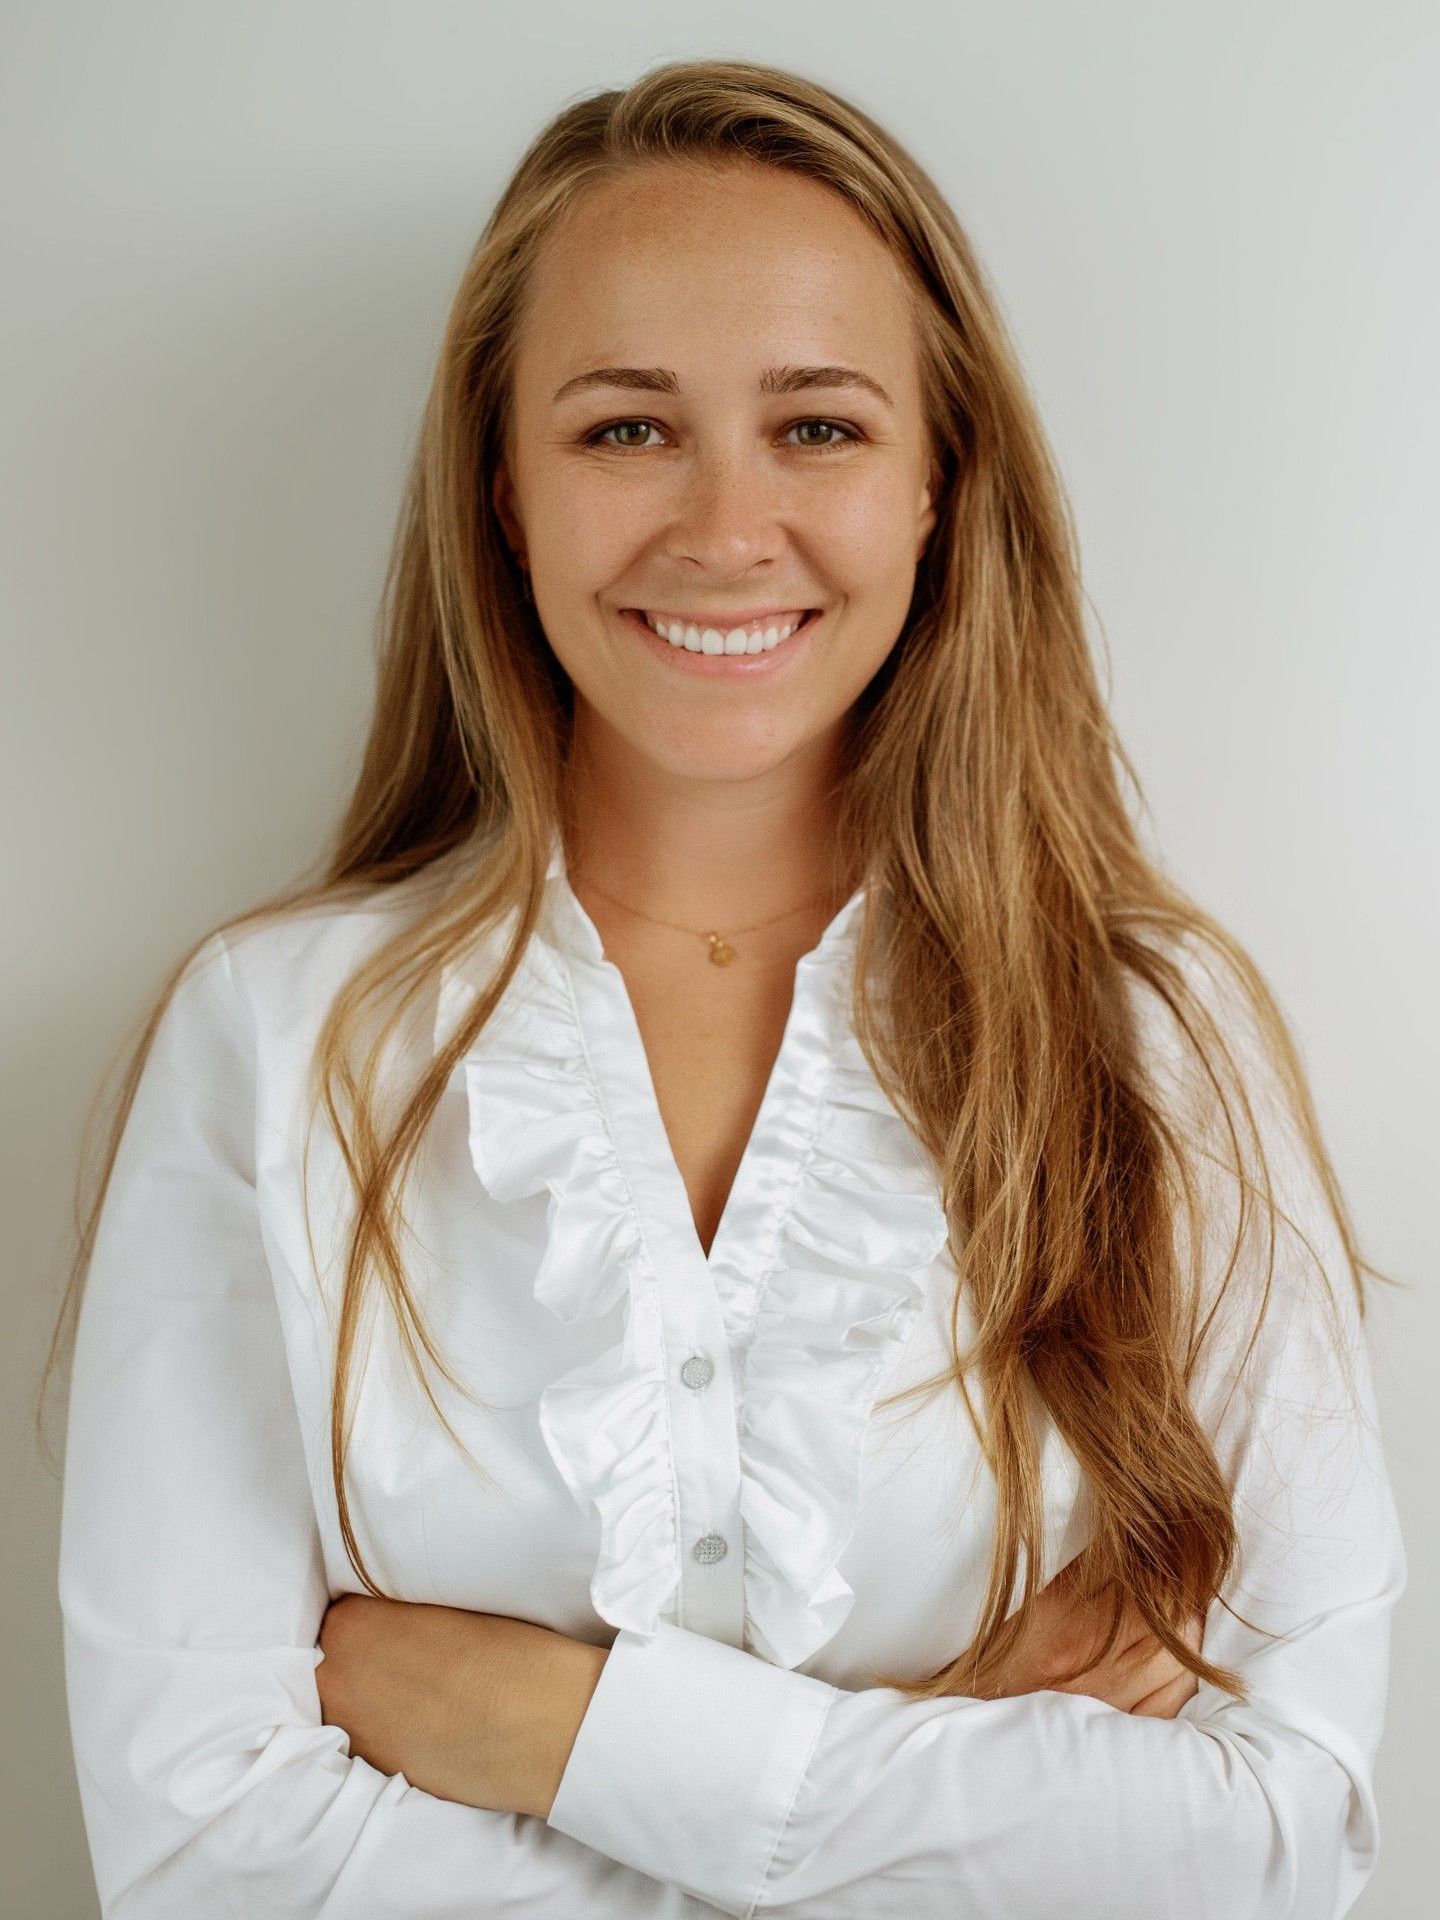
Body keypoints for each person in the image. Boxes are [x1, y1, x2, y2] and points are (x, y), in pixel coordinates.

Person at [42, 56, 1405, 1920]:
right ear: (503, 494)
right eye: (624, 430)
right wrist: (965, 1786)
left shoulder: (1155, 1047)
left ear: (943, 485)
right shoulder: (276, 1045)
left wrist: (548, 1730)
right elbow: (205, 1851)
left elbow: (1278, 1842)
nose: (724, 526)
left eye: (820, 428)